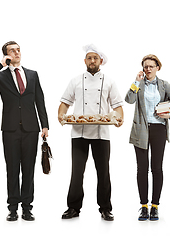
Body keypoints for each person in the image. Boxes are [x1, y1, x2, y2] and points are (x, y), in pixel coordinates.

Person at [0, 41, 49, 221]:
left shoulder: (32, 75)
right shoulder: (0, 77)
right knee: (12, 169)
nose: (17, 52)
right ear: (6, 55)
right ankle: (12, 208)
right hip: (10, 130)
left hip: (31, 129)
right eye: (12, 50)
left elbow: (39, 100)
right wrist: (1, 64)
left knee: (28, 169)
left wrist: (45, 125)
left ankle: (27, 208)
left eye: (18, 50)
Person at [57, 44, 124, 221]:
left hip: (102, 132)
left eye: (95, 58)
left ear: (101, 61)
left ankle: (105, 208)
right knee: (77, 172)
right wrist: (61, 115)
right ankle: (73, 207)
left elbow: (117, 106)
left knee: (104, 172)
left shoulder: (109, 81)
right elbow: (65, 102)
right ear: (85, 60)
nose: (92, 61)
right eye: (89, 58)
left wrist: (118, 119)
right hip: (79, 132)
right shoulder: (76, 81)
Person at [126, 54, 170, 221]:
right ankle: (144, 206)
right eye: (145, 66)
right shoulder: (139, 85)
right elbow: (129, 100)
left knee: (157, 168)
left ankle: (155, 206)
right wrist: (136, 82)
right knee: (142, 168)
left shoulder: (164, 85)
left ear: (158, 67)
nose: (148, 69)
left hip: (159, 129)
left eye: (151, 66)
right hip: (141, 130)